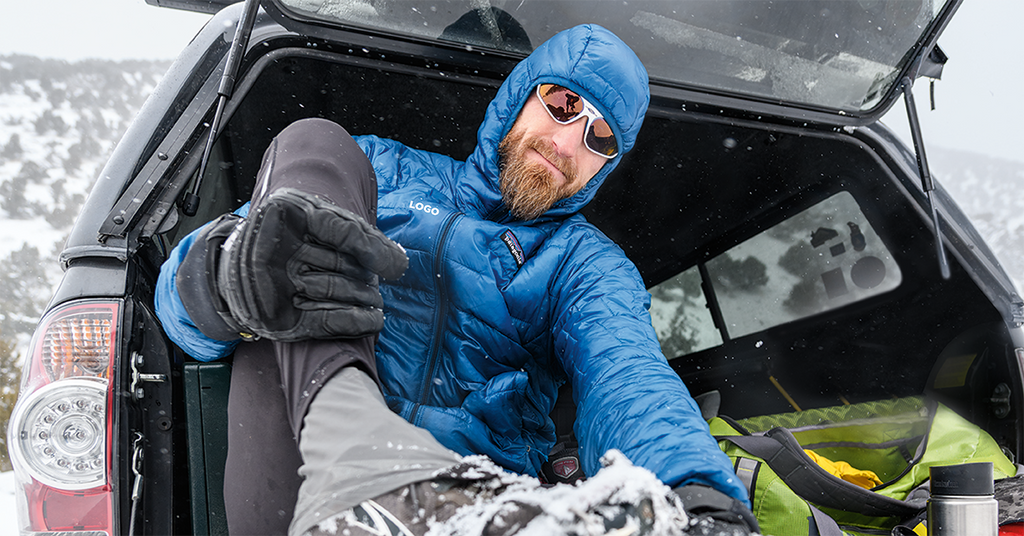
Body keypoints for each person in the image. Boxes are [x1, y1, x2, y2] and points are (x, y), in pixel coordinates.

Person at [156, 24, 755, 536]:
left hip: (461, 509)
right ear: (519, 96)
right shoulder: (381, 170)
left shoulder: (581, 261)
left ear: (604, 167)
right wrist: (221, 277)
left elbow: (627, 371)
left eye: (599, 138)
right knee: (314, 154)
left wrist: (693, 490)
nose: (568, 142)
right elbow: (178, 311)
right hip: (302, 477)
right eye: (563, 104)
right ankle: (352, 442)